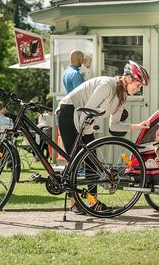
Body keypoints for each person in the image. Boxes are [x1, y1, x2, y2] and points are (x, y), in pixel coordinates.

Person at [56, 60, 150, 214]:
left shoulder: (123, 97)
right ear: (128, 79)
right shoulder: (107, 85)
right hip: (69, 111)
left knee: (92, 161)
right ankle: (73, 204)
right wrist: (81, 133)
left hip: (85, 119)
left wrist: (138, 126)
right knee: (74, 160)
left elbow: (114, 126)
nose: (139, 90)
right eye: (138, 85)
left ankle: (93, 203)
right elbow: (88, 109)